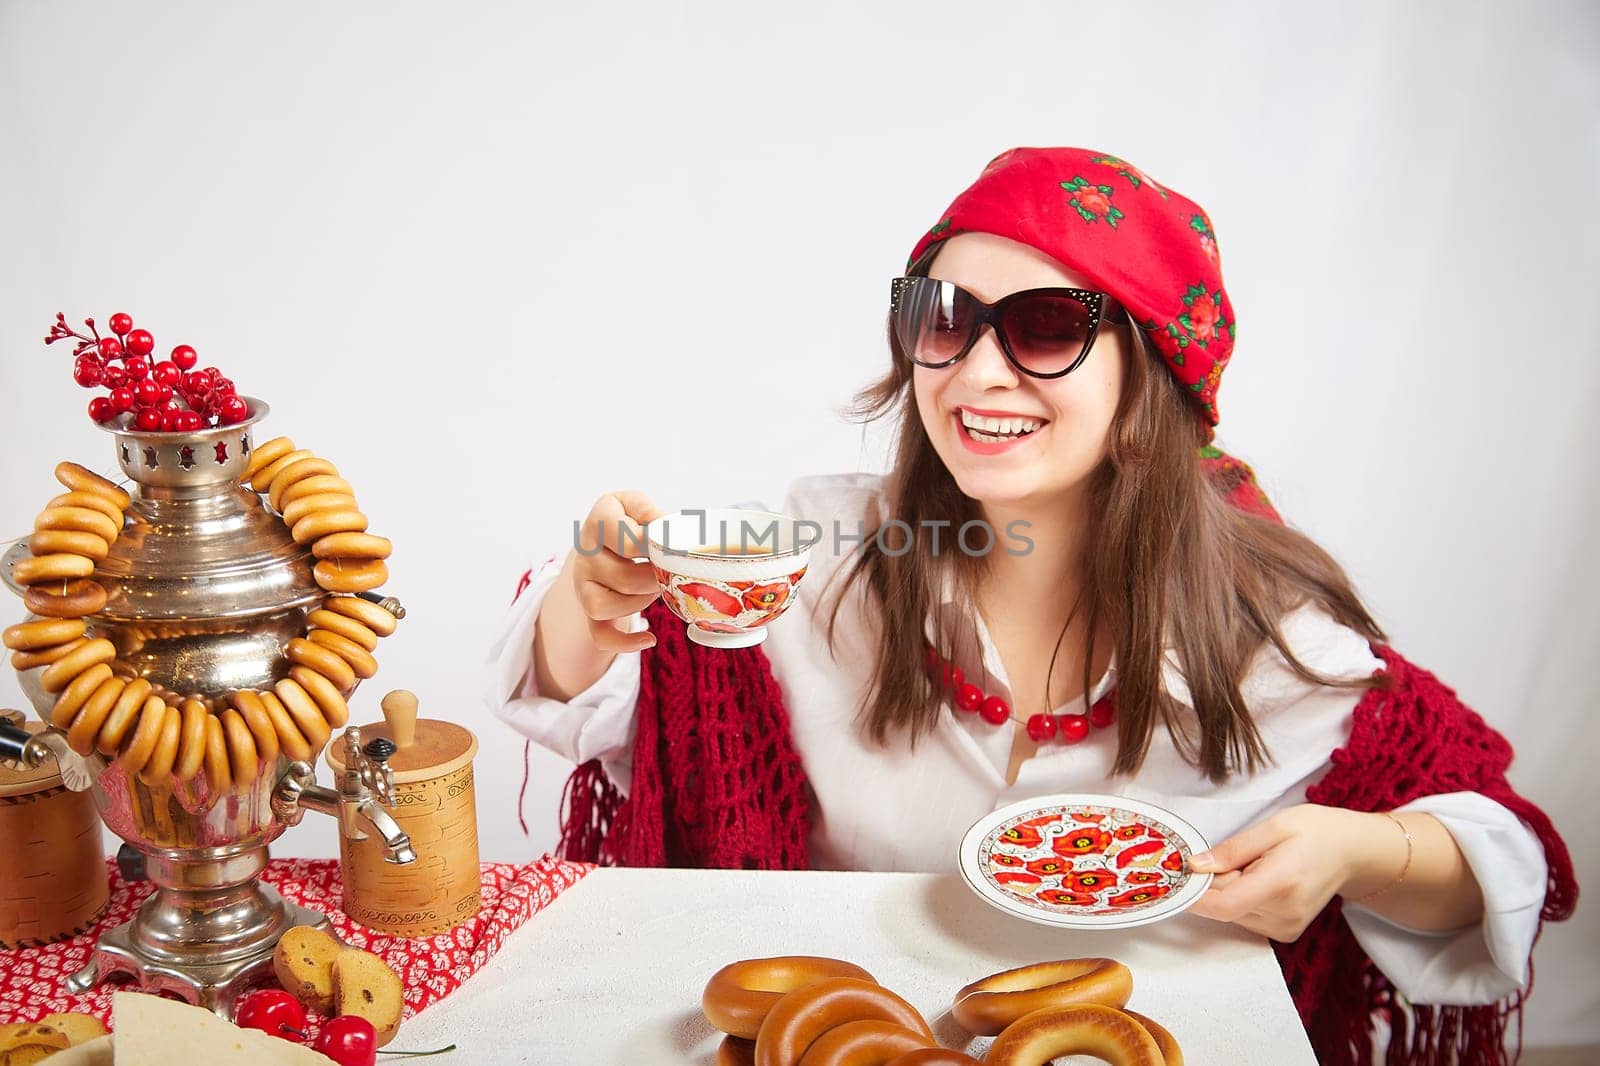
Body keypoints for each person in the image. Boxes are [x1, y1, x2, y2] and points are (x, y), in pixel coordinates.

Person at [483, 147, 1575, 1063]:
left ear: (1151, 374)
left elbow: (1501, 851)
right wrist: (590, 598)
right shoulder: (820, 557)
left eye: (1046, 327)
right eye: (944, 317)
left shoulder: (1268, 628)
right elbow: (605, 688)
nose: (978, 371)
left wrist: (1356, 853)